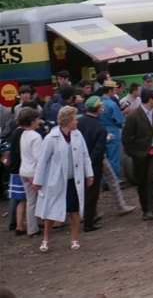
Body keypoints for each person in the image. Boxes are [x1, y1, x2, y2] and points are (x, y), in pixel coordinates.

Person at [33, 106, 95, 252]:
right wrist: (38, 181)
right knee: (51, 212)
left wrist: (89, 174)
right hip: (56, 181)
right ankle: (45, 240)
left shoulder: (78, 135)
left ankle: (74, 240)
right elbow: (42, 161)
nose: (77, 122)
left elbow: (85, 156)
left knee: (74, 211)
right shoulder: (50, 138)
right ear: (67, 120)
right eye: (75, 119)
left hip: (74, 180)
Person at [122, 88, 153, 221]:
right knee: (142, 181)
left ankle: (151, 208)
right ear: (150, 99)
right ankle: (146, 208)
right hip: (140, 154)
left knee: (152, 178)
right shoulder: (134, 116)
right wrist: (134, 153)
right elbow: (127, 137)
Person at [77, 96, 108, 232]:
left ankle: (82, 217)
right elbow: (98, 151)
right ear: (97, 109)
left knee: (80, 193)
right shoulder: (100, 128)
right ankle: (89, 223)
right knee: (92, 194)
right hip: (92, 166)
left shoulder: (78, 122)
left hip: (77, 163)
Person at [17, 108, 43, 237]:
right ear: (32, 121)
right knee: (40, 199)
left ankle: (32, 229)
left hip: (24, 171)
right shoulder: (36, 136)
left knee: (30, 201)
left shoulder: (23, 134)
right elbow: (39, 158)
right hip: (34, 172)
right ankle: (38, 226)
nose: (39, 121)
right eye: (37, 119)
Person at [97, 80, 125, 182]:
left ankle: (104, 180)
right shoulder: (112, 104)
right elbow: (119, 121)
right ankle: (114, 180)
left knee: (104, 158)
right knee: (114, 157)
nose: (115, 91)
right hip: (113, 131)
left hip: (100, 131)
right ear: (110, 90)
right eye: (114, 89)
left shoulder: (98, 102)